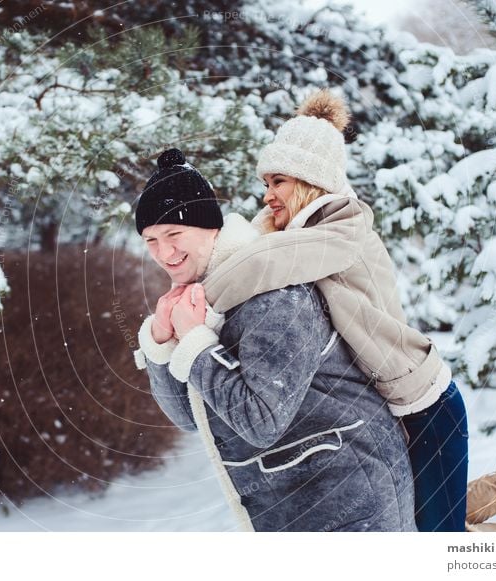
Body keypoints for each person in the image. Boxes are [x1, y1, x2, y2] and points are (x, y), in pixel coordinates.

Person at [199, 89, 468, 531]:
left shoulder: (341, 229)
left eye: (277, 182)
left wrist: (201, 307)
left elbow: (262, 262)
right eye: (264, 184)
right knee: (427, 526)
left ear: (308, 181)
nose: (266, 196)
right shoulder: (315, 229)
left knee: (441, 542)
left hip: (430, 412)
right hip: (400, 409)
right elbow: (262, 251)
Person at [132, 148, 417, 532]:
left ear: (211, 228)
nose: (164, 253)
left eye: (173, 234)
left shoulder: (272, 292)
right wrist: (164, 343)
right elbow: (189, 416)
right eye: (151, 240)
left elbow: (262, 421)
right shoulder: (209, 297)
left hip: (352, 506)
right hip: (293, 512)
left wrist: (196, 343)